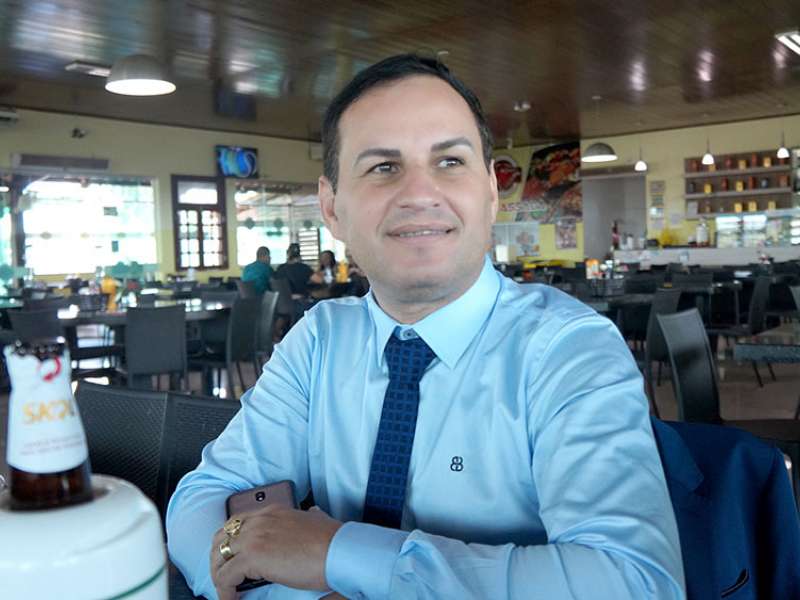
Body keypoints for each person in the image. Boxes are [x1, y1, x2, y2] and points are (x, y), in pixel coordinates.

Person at [167, 54, 685, 599]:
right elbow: (202, 500)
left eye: (450, 161)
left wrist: (338, 555)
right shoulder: (318, 341)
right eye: (383, 167)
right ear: (332, 208)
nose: (419, 193)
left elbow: (634, 582)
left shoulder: (569, 350)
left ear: (490, 192)